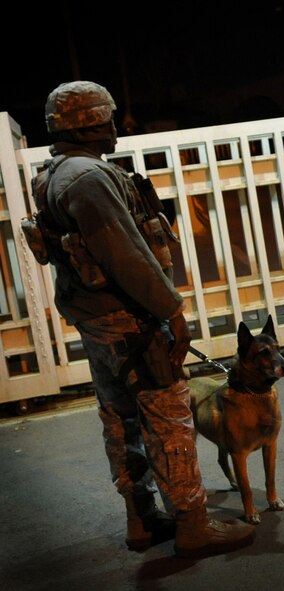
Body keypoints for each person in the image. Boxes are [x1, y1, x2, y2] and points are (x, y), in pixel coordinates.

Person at [33, 81, 255, 559]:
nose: (118, 127)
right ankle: (193, 525)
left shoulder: (56, 174)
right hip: (129, 320)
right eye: (110, 118)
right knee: (169, 416)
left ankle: (140, 520)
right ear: (90, 124)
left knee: (119, 416)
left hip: (98, 321)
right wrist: (172, 312)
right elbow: (129, 257)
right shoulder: (88, 179)